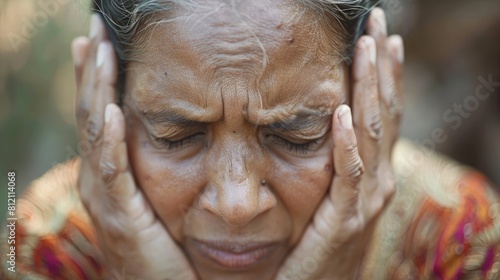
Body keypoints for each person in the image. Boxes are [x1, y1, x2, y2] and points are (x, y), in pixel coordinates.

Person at [1, 0, 499, 279]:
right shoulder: (40, 252)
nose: (236, 205)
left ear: (374, 96)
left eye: (297, 135)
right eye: (177, 136)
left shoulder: (461, 243)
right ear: (104, 103)